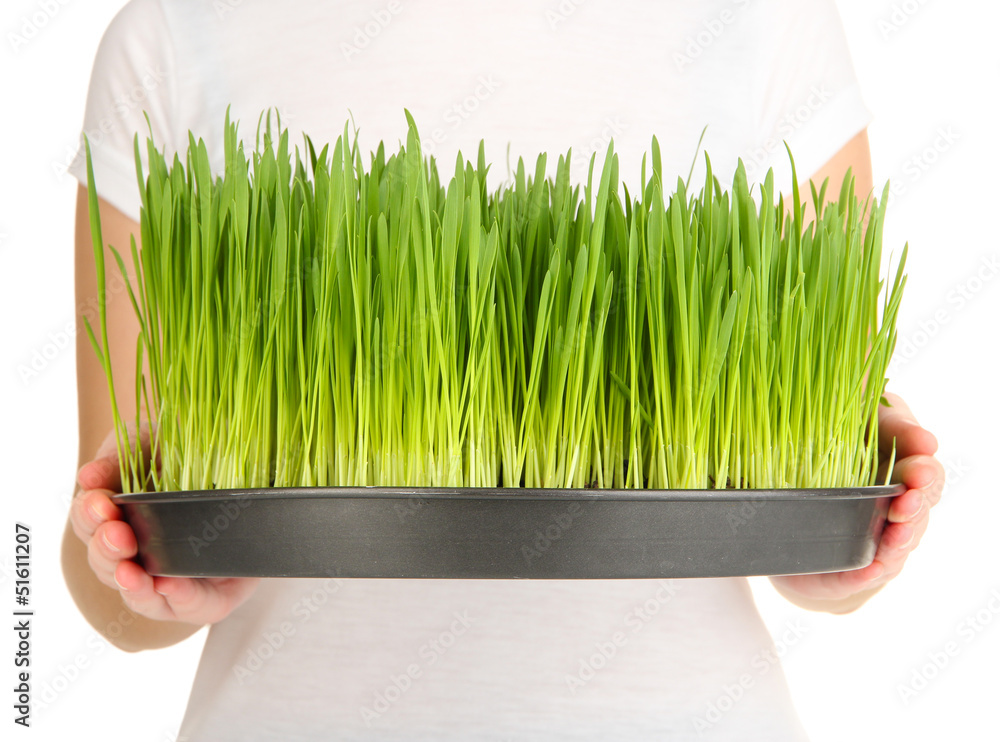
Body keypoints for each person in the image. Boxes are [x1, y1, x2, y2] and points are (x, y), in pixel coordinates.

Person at [64, 1, 945, 739]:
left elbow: (813, 427)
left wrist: (848, 536)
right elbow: (101, 542)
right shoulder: (176, 28)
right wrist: (143, 583)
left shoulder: (766, 18)